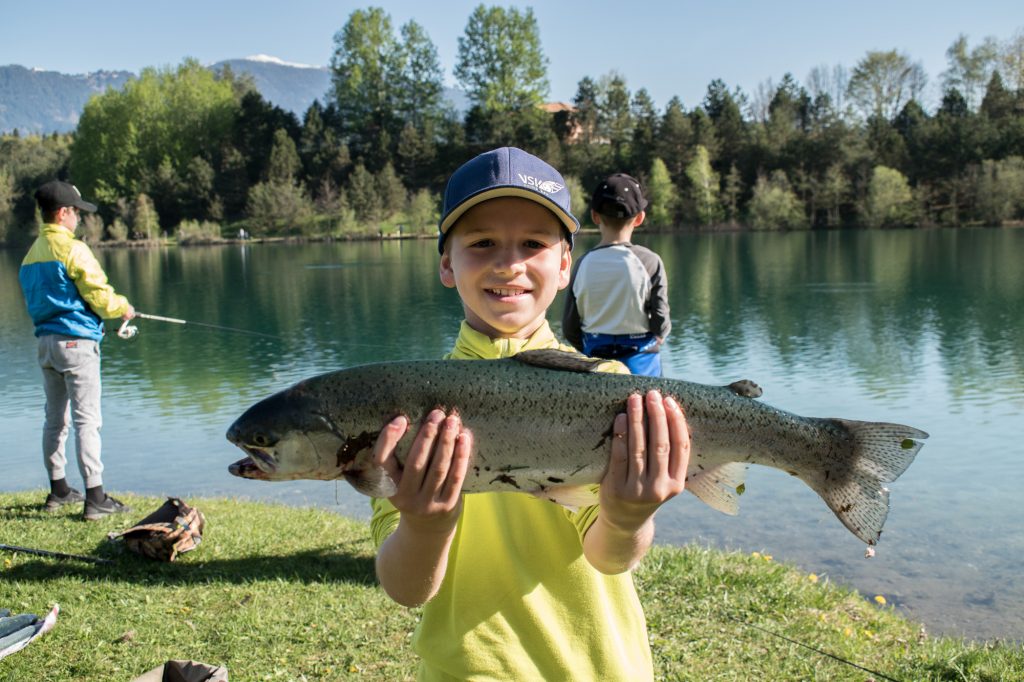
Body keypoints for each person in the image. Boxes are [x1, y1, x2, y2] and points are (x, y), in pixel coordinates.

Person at [368, 147, 691, 680]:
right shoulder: (405, 406)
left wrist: (627, 517)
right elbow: (406, 590)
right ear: (446, 263)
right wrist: (425, 527)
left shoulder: (612, 391)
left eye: (534, 244)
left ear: (565, 265)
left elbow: (611, 557)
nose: (508, 263)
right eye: (482, 243)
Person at [19, 180, 135, 521]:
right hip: (76, 345)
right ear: (63, 212)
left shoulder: (29, 255)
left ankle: (58, 491)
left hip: (46, 345)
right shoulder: (73, 250)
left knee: (55, 420)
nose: (79, 220)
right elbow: (99, 296)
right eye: (77, 213)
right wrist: (124, 308)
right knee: (88, 421)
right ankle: (95, 497)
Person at [562, 173, 671, 376]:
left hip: (595, 359)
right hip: (641, 361)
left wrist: (585, 348)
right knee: (646, 406)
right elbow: (660, 317)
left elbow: (570, 327)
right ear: (639, 218)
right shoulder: (650, 261)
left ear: (595, 216)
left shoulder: (581, 263)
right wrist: (660, 334)